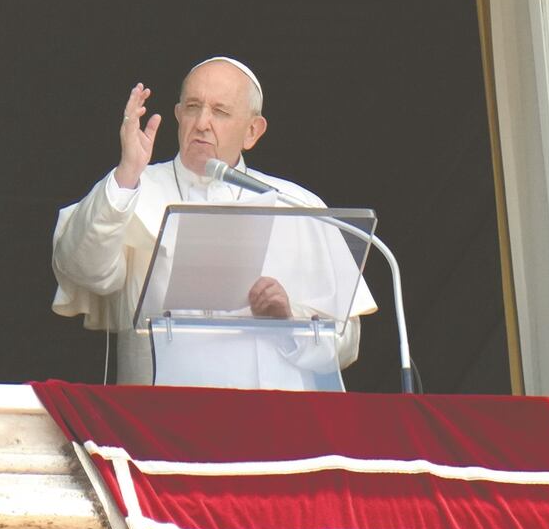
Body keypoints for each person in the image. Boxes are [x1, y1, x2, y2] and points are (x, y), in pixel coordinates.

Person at [51, 57, 375, 387]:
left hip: (272, 421)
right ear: (178, 116)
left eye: (220, 111)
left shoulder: (297, 205)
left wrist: (288, 319)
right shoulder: (133, 187)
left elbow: (347, 343)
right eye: (193, 107)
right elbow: (83, 269)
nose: (202, 122)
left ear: (253, 131)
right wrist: (126, 173)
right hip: (157, 417)